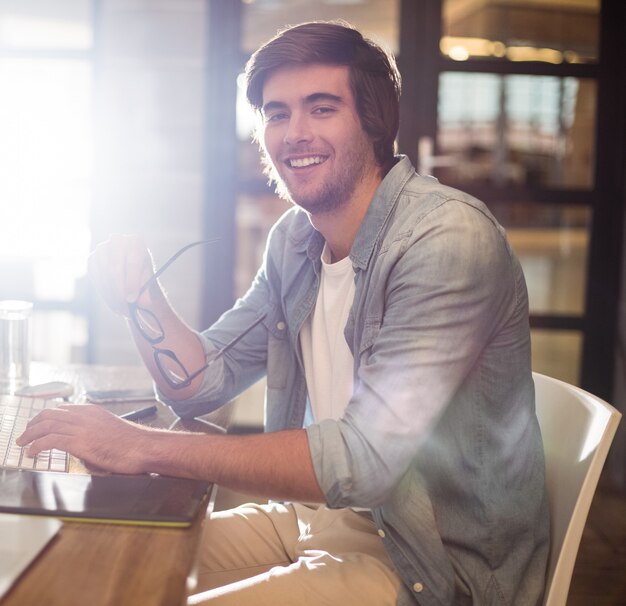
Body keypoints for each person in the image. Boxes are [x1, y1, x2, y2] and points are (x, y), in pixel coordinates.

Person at [18, 21, 549, 606]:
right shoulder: (296, 241)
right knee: (98, 571)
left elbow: (365, 460)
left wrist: (137, 445)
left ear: (373, 123)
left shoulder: (445, 239)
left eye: (322, 109)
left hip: (431, 565)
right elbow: (200, 383)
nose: (295, 133)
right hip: (324, 519)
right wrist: (140, 290)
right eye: (276, 113)